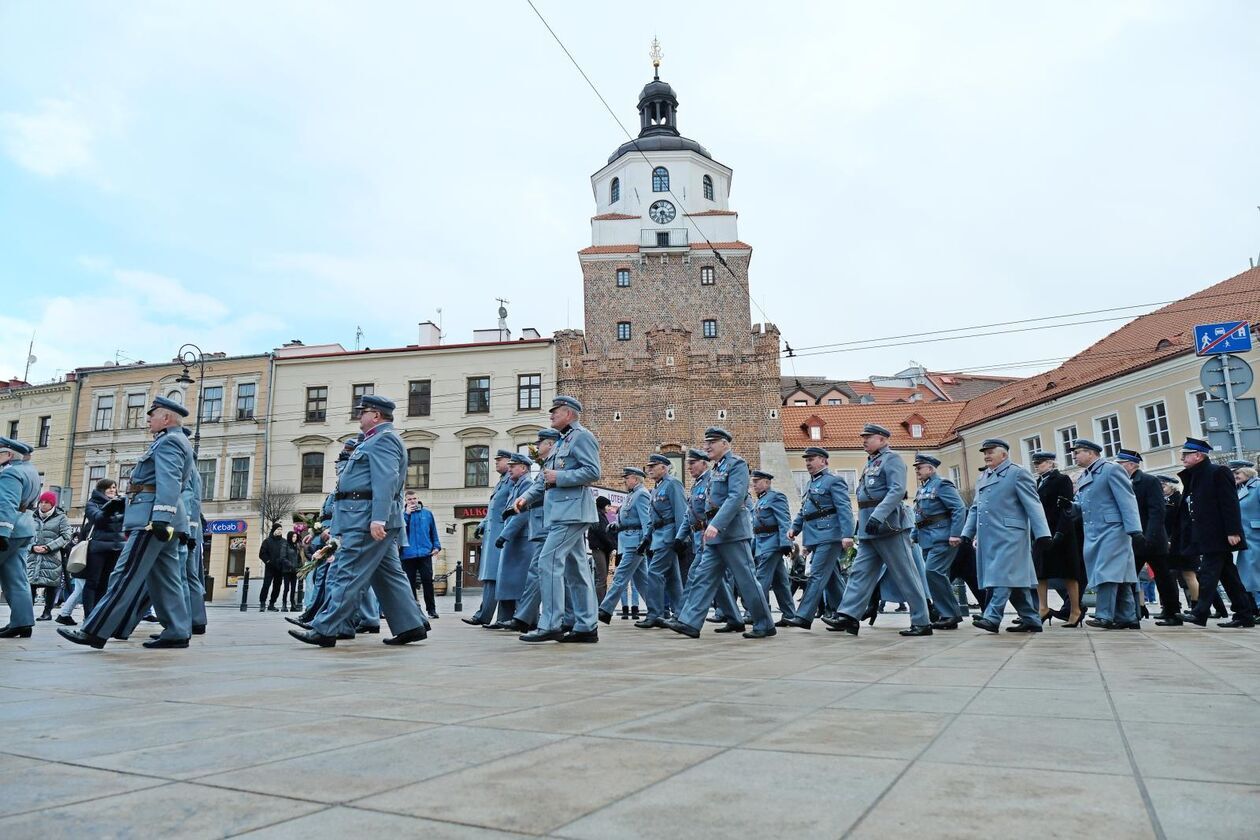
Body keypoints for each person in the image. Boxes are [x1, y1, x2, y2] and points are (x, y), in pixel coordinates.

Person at [288, 394, 427, 647]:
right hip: (362, 515)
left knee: (346, 570)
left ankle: (325, 629)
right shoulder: (373, 440)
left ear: (376, 415)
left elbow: (386, 482)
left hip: (365, 519)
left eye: (362, 411)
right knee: (388, 575)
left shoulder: (383, 440)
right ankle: (411, 625)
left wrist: (378, 519)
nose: (359, 415)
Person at [60, 397, 195, 650]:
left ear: (165, 418)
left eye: (152, 415)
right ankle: (177, 630)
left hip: (151, 520)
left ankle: (95, 630)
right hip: (159, 517)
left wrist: (160, 518)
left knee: (124, 574)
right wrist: (123, 502)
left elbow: (169, 482)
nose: (148, 419)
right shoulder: (173, 441)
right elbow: (154, 483)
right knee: (166, 579)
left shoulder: (169, 442)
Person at [665, 427, 776, 640]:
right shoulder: (717, 469)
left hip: (732, 532)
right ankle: (690, 622)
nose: (707, 446)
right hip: (714, 534)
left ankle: (764, 622)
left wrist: (716, 524)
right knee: (703, 577)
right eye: (706, 443)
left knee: (747, 580)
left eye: (712, 442)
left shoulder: (737, 465)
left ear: (725, 444)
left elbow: (735, 497)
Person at [822, 424, 931, 637]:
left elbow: (897, 490)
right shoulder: (872, 461)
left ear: (882, 439)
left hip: (889, 526)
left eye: (868, 437)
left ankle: (922, 621)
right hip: (868, 526)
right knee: (859, 573)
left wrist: (878, 516)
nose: (864, 440)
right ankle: (849, 616)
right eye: (863, 437)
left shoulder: (893, 460)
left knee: (906, 574)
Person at [513, 395, 602, 643]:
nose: (551, 415)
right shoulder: (562, 441)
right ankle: (586, 626)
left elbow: (593, 472)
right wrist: (525, 498)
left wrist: (560, 477)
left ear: (569, 414)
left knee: (548, 562)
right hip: (563, 512)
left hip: (572, 512)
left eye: (555, 411)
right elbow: (544, 479)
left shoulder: (581, 436)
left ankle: (551, 623)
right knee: (576, 571)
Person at [958, 438, 1051, 633]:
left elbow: (1033, 504)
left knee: (1001, 575)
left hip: (1011, 535)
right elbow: (975, 508)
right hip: (988, 537)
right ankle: (1031, 619)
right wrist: (967, 533)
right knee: (1012, 580)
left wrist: (1042, 533)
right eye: (985, 452)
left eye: (991, 452)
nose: (986, 455)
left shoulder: (1017, 473)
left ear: (1004, 454)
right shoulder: (984, 477)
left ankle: (992, 617)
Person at [1175, 438, 1253, 628]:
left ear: (1198, 455)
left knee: (1208, 573)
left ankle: (1200, 612)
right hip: (1205, 533)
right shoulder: (1194, 475)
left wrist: (1233, 531)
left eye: (1186, 455)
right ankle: (1244, 614)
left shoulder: (1218, 472)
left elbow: (1229, 503)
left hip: (1219, 533)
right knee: (1228, 575)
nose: (1182, 458)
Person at [1069, 439, 1143, 629]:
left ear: (1091, 453)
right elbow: (1088, 504)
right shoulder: (1087, 474)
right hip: (1096, 530)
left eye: (1078, 452)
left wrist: (1134, 530)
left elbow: (1127, 500)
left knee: (1106, 573)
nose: (1074, 456)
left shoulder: (1111, 470)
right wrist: (1071, 507)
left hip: (1113, 529)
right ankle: (1128, 617)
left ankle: (1104, 615)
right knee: (1122, 576)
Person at [783, 447, 853, 630]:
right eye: (806, 460)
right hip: (816, 536)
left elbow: (844, 509)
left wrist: (847, 534)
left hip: (830, 535)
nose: (807, 463)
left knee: (817, 575)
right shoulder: (809, 485)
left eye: (811, 459)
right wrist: (794, 528)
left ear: (823, 461)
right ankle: (847, 618)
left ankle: (803, 616)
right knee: (832, 579)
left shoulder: (834, 481)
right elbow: (805, 511)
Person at [502, 428, 563, 632]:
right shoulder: (545, 467)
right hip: (544, 525)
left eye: (541, 443)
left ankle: (530, 618)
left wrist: (522, 504)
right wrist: (519, 504)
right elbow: (537, 491)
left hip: (551, 524)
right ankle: (528, 618)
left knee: (540, 570)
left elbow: (546, 495)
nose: (537, 447)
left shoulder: (555, 465)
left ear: (551, 444)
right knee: (546, 571)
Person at [1115, 449, 1180, 622]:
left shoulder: (1149, 481)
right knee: (1126, 577)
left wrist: (1149, 537)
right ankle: (1128, 612)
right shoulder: (1122, 482)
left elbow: (1156, 512)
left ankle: (1172, 613)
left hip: (1151, 539)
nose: (1117, 467)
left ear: (1131, 465)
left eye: (1120, 464)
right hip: (1133, 538)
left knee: (1163, 577)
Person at [911, 454, 967, 630]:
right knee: (934, 575)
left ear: (930, 468)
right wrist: (914, 534)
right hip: (927, 538)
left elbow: (958, 508)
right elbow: (919, 514)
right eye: (916, 468)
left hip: (942, 536)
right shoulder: (923, 489)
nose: (917, 471)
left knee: (933, 572)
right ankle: (946, 614)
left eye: (920, 468)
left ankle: (950, 613)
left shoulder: (942, 484)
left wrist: (956, 533)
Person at [1029, 450, 1085, 625]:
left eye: (1041, 463)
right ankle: (1043, 608)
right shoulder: (1038, 482)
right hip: (1042, 532)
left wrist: (1060, 532)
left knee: (1069, 572)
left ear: (1051, 463)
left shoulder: (1062, 480)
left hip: (1062, 531)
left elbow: (1066, 508)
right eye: (1036, 464)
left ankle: (1075, 610)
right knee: (1040, 573)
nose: (1037, 466)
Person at [598, 467, 654, 625]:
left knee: (620, 576)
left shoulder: (641, 494)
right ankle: (657, 611)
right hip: (629, 540)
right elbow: (628, 518)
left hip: (635, 543)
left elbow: (646, 520)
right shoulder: (631, 495)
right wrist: (616, 525)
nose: (624, 480)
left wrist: (645, 541)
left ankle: (605, 610)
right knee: (642, 581)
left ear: (635, 479)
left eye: (627, 477)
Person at [465, 451, 513, 626]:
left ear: (509, 462)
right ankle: (494, 617)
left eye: (499, 460)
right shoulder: (502, 482)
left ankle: (490, 616)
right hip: (494, 533)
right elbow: (493, 508)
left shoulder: (511, 481)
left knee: (496, 577)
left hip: (501, 534)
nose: (496, 463)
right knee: (494, 577)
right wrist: (483, 523)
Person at [0, 437, 41, 639]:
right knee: (16, 577)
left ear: (8, 455)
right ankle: (22, 622)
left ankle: (21, 622)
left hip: (9, 529)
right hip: (24, 528)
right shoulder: (30, 470)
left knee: (15, 577)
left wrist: (2, 532)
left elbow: (6, 503)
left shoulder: (10, 473)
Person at [750, 470, 801, 626]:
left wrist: (786, 543)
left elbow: (784, 521)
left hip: (772, 544)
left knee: (760, 581)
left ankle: (757, 615)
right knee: (780, 582)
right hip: (762, 543)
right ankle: (789, 615)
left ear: (767, 482)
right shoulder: (760, 500)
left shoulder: (776, 497)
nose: (754, 485)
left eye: (757, 481)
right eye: (753, 482)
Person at [489, 453, 534, 625]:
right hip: (514, 538)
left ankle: (525, 619)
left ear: (523, 468)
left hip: (521, 538)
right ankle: (505, 618)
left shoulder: (527, 484)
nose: (509, 468)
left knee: (520, 581)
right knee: (508, 580)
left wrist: (505, 535)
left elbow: (522, 514)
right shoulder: (517, 485)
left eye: (513, 466)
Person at [645, 453, 687, 624]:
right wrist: (647, 538)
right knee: (672, 578)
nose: (650, 470)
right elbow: (653, 517)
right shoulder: (656, 487)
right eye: (649, 467)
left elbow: (681, 512)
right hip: (659, 536)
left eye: (653, 466)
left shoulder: (673, 484)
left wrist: (681, 538)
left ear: (664, 467)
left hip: (669, 536)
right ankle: (680, 614)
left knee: (654, 573)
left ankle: (655, 614)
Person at [77, 478, 125, 620]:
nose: (112, 489)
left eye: (114, 487)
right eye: (108, 487)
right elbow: (97, 519)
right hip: (98, 548)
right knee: (93, 582)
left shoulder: (121, 503)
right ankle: (89, 615)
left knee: (106, 583)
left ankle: (98, 615)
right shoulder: (93, 503)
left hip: (116, 548)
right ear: (101, 489)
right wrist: (109, 508)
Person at [28, 491, 72, 621]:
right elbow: (26, 533)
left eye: (47, 502)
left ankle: (47, 612)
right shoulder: (32, 516)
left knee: (51, 585)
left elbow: (66, 536)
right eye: (41, 501)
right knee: (30, 584)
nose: (43, 504)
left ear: (52, 504)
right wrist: (32, 546)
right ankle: (27, 612)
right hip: (33, 556)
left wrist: (49, 547)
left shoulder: (61, 517)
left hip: (52, 556)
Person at [401, 492, 441, 618]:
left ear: (418, 499)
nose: (412, 501)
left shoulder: (427, 514)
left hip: (425, 553)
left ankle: (431, 610)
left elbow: (433, 531)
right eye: (409, 499)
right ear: (405, 501)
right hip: (408, 554)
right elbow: (401, 530)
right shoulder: (402, 515)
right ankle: (414, 610)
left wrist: (436, 546)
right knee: (409, 583)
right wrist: (407, 514)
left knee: (427, 581)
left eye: (414, 499)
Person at [1233, 463, 1260, 610]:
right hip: (1244, 537)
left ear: (1248, 472)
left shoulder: (1257, 486)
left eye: (1238, 473)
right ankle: (1254, 607)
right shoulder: (1238, 489)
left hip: (1255, 536)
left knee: (1254, 572)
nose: (1235, 476)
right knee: (1248, 573)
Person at [587, 496, 615, 606]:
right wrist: (612, 545)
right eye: (608, 505)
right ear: (603, 505)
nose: (609, 508)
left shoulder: (600, 516)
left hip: (603, 549)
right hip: (599, 549)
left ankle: (601, 604)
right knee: (602, 578)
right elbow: (603, 534)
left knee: (602, 578)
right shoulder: (598, 516)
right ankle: (600, 604)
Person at [258, 523, 286, 612]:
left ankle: (271, 604)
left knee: (277, 587)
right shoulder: (267, 541)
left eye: (281, 529)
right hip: (270, 567)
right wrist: (268, 561)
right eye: (278, 529)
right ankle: (262, 603)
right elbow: (262, 554)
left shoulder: (284, 542)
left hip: (280, 568)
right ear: (274, 530)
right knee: (266, 585)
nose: (279, 531)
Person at [281, 531, 303, 612]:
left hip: (294, 571)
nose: (295, 538)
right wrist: (291, 565)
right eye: (293, 537)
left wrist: (300, 566)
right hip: (287, 570)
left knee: (293, 588)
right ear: (290, 537)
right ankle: (284, 605)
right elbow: (283, 558)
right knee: (286, 588)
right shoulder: (285, 545)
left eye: (296, 537)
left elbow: (299, 558)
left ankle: (293, 605)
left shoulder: (296, 546)